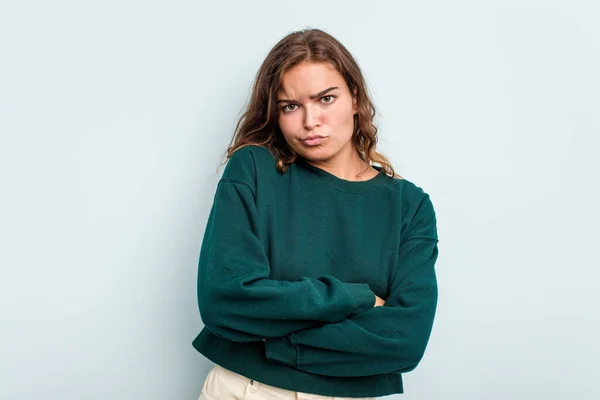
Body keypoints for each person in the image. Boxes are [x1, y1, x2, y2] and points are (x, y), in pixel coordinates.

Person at [192, 27, 439, 399]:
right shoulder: (254, 169)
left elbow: (405, 340)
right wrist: (357, 298)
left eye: (325, 99)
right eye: (291, 106)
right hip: (247, 390)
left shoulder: (409, 206)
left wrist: (271, 340)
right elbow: (225, 301)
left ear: (355, 99)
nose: (310, 121)